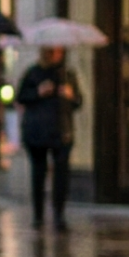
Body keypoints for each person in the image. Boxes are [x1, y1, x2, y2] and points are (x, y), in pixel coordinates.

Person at [13, 46, 81, 230]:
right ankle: (38, 215)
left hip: (61, 131)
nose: (54, 55)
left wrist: (70, 95)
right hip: (37, 132)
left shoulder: (67, 75)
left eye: (57, 51)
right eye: (50, 51)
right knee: (39, 173)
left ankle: (59, 214)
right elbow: (20, 97)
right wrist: (38, 92)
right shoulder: (33, 73)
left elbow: (78, 102)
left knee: (61, 174)